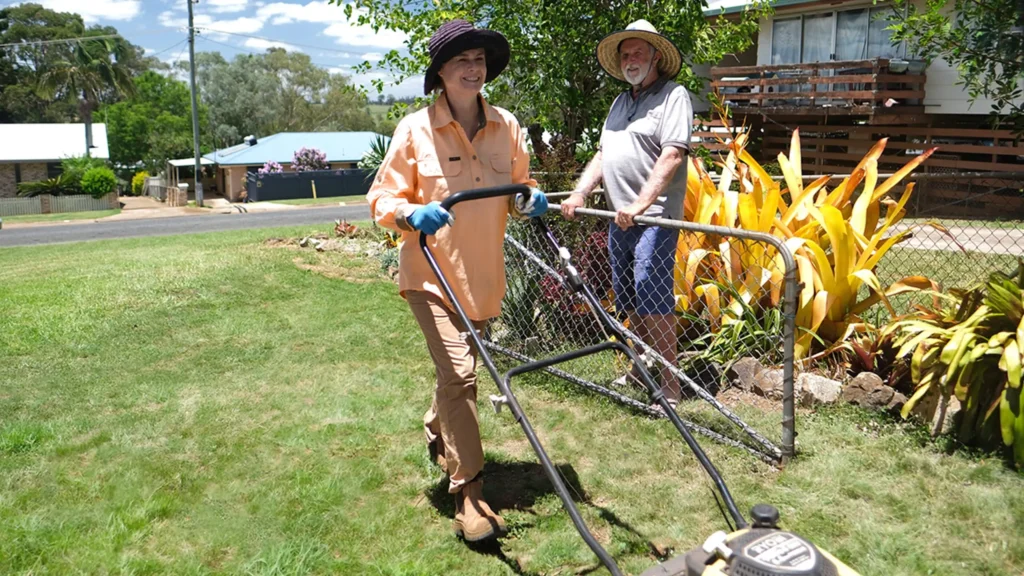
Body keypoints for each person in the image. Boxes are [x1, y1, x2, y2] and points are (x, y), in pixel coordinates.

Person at [366, 20, 548, 543]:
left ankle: (434, 427)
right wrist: (410, 212)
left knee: (455, 375)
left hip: (484, 279)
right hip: (429, 275)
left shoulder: (507, 126)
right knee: (463, 376)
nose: (474, 68)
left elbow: (521, 187)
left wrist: (527, 198)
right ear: (441, 73)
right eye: (462, 60)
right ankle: (469, 494)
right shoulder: (414, 130)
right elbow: (381, 199)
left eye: (480, 59)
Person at [560, 19, 692, 411]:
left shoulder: (674, 96)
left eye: (637, 52)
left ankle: (671, 384)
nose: (630, 60)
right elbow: (604, 154)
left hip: (654, 218)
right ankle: (640, 367)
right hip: (621, 219)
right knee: (630, 298)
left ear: (655, 57)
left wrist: (641, 204)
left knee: (653, 297)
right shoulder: (620, 102)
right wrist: (581, 190)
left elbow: (673, 154)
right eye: (625, 54)